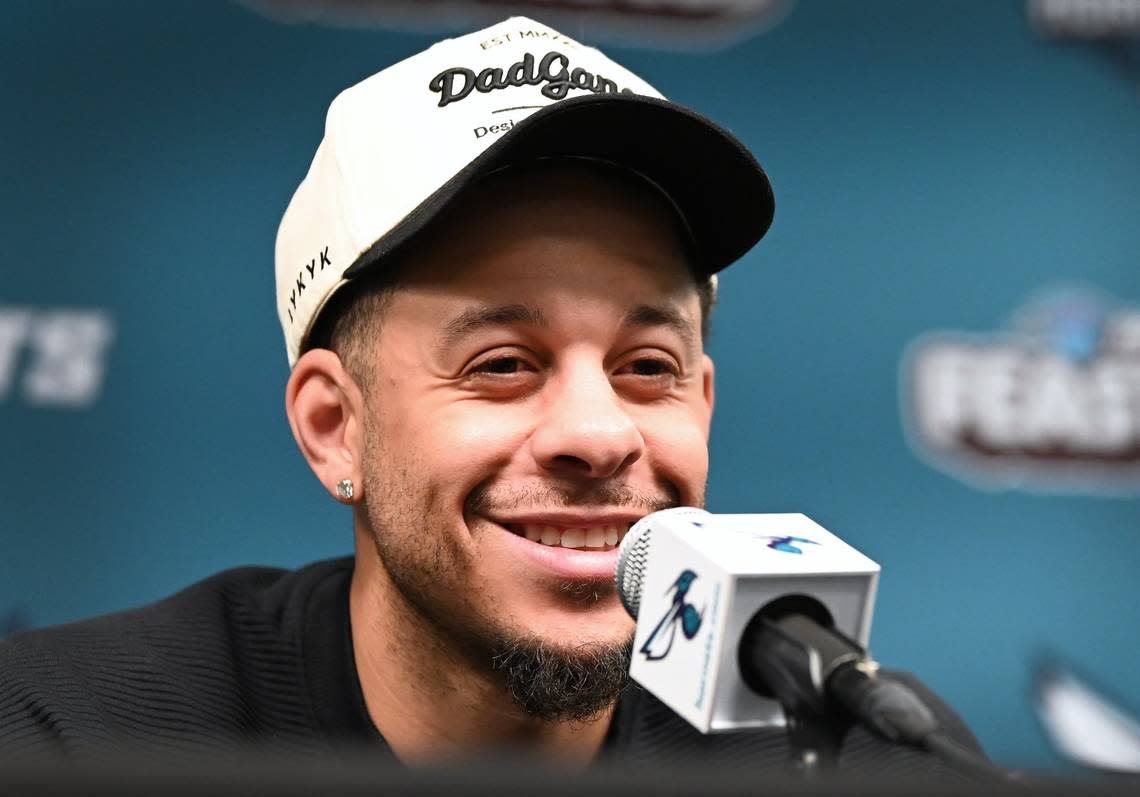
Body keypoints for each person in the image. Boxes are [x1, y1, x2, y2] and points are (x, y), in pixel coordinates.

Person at [0, 16, 984, 780]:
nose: (599, 435)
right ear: (333, 426)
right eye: (503, 363)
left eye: (649, 367)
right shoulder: (72, 740)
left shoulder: (853, 755)